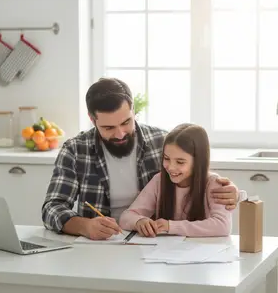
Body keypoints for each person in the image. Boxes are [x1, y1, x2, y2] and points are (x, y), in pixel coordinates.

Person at [42, 77, 246, 240]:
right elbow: (52, 208)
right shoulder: (75, 150)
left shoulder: (162, 142)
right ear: (92, 119)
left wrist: (234, 193)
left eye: (126, 122)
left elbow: (197, 174)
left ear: (133, 109)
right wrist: (84, 226)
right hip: (98, 243)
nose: (121, 134)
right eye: (109, 128)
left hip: (152, 244)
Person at [119, 123, 231, 237]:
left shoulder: (213, 183)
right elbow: (126, 217)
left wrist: (171, 226)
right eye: (166, 158)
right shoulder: (159, 180)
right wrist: (139, 221)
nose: (171, 167)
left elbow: (222, 226)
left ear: (198, 161)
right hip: (167, 251)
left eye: (180, 162)